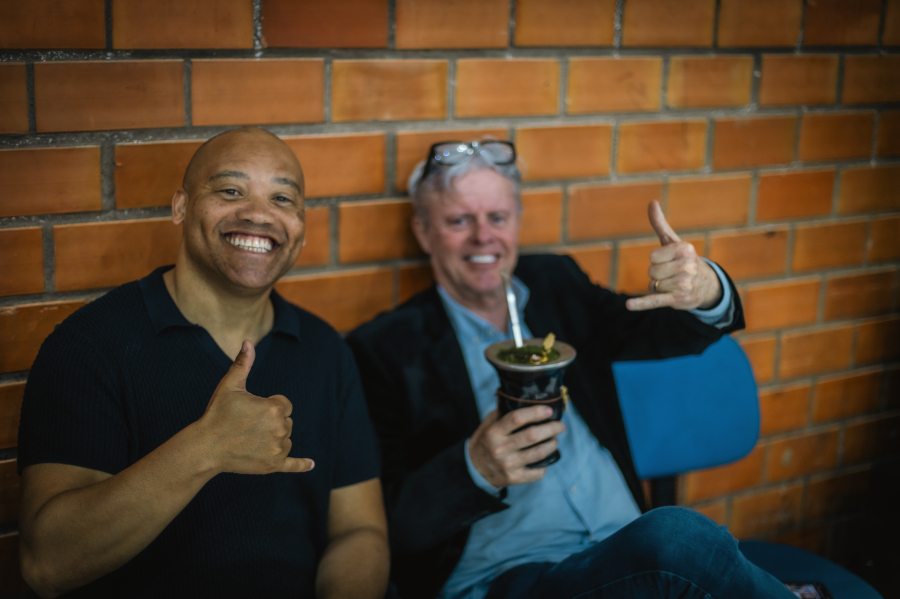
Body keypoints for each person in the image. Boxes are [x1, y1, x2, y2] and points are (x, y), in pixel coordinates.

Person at [346, 140, 795, 599]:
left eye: (497, 217)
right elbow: (381, 527)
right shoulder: (382, 349)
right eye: (459, 221)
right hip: (509, 578)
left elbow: (658, 332)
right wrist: (473, 468)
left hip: (626, 549)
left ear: (517, 221)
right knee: (679, 540)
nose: (483, 236)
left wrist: (703, 289)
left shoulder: (556, 284)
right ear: (423, 232)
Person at [17, 128, 390, 599]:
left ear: (300, 224)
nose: (259, 214)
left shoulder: (324, 347)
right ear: (181, 206)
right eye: (231, 191)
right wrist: (206, 448)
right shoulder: (90, 345)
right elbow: (47, 564)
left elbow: (359, 531)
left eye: (282, 198)